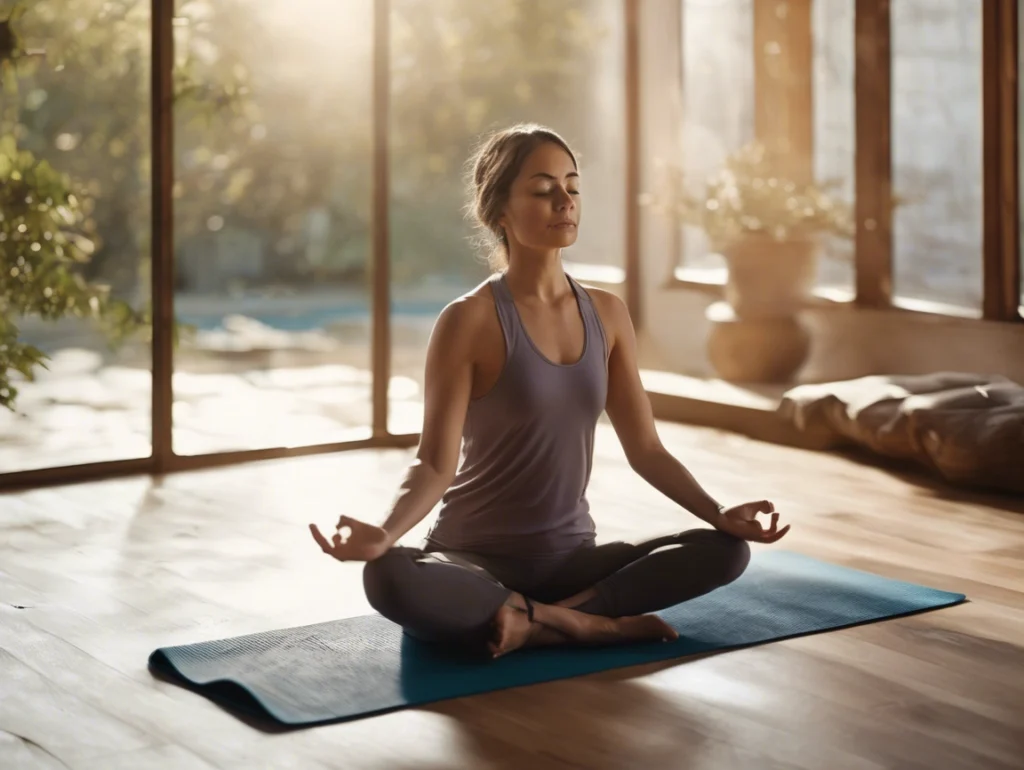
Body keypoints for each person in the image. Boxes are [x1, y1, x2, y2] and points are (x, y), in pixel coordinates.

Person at [310, 123, 790, 659]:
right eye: (543, 190)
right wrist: (383, 531)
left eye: (573, 187)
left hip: (570, 564)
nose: (565, 201)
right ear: (500, 212)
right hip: (475, 562)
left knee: (725, 551)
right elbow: (433, 464)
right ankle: (588, 624)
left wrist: (719, 511)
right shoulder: (468, 320)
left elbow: (647, 450)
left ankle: (535, 621)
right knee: (388, 577)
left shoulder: (608, 314)